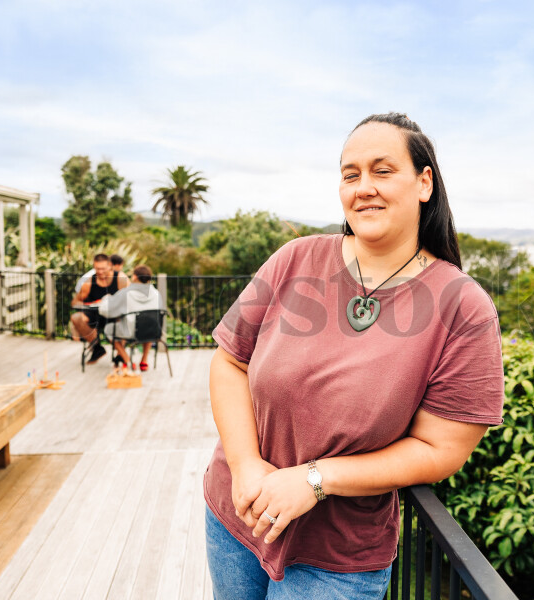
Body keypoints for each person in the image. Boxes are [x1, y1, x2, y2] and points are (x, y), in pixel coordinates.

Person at [204, 113, 506, 599]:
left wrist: (315, 479)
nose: (363, 187)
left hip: (336, 559)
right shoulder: (295, 259)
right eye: (351, 174)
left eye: (382, 171)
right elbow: (230, 362)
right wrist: (244, 466)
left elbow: (442, 448)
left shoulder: (464, 308)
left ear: (424, 182)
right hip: (236, 515)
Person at [97, 265, 163, 371]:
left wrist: (106, 299)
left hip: (131, 331)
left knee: (109, 330)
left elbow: (107, 310)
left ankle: (127, 361)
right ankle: (144, 361)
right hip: (153, 332)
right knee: (149, 324)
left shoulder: (126, 293)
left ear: (135, 277)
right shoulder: (156, 293)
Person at [70, 253, 128, 363]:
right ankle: (97, 347)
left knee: (124, 319)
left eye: (103, 269)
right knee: (76, 318)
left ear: (110, 266)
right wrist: (90, 304)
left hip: (115, 315)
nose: (100, 272)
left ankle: (120, 354)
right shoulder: (89, 282)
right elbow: (75, 302)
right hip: (95, 314)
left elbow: (130, 299)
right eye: (97, 269)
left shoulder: (121, 279)